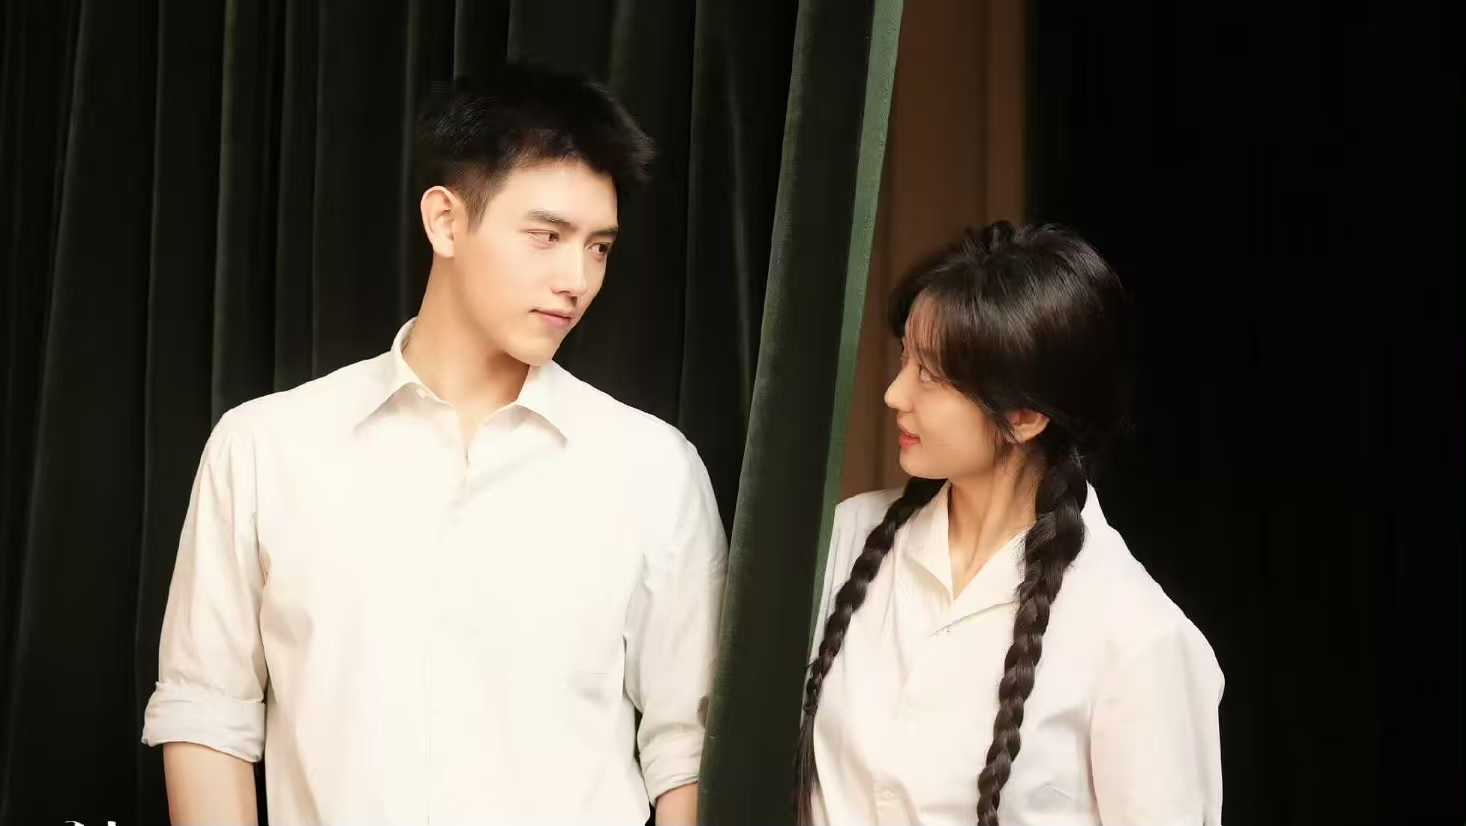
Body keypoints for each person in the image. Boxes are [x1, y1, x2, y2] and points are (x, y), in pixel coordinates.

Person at [141, 63, 726, 826]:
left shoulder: (652, 468)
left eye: (599, 248)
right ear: (446, 221)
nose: (576, 278)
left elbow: (690, 749)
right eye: (546, 236)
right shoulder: (267, 447)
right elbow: (207, 713)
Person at [796, 222, 1223, 825]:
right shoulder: (850, 535)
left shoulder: (1137, 635)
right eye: (904, 358)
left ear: (1024, 416)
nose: (894, 394)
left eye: (930, 375)